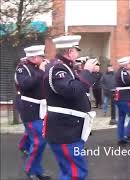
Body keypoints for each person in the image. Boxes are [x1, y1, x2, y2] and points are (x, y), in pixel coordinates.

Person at [43, 35, 99, 179]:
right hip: (65, 130)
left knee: (68, 171)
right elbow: (72, 91)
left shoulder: (65, 67)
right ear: (69, 52)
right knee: (76, 172)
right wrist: (86, 71)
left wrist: (83, 71)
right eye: (76, 51)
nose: (78, 54)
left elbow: (79, 87)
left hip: (67, 129)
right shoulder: (57, 69)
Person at [14, 45, 50, 180]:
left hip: (40, 108)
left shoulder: (38, 68)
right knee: (38, 141)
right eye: (41, 57)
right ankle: (30, 170)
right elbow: (25, 85)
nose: (43, 59)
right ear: (35, 57)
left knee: (41, 140)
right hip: (28, 109)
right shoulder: (22, 68)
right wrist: (41, 72)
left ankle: (38, 170)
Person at [114, 56, 130, 145]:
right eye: (129, 63)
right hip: (125, 98)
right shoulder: (122, 72)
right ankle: (128, 136)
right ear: (125, 64)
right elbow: (129, 81)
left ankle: (121, 138)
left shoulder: (122, 72)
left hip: (123, 98)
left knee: (121, 118)